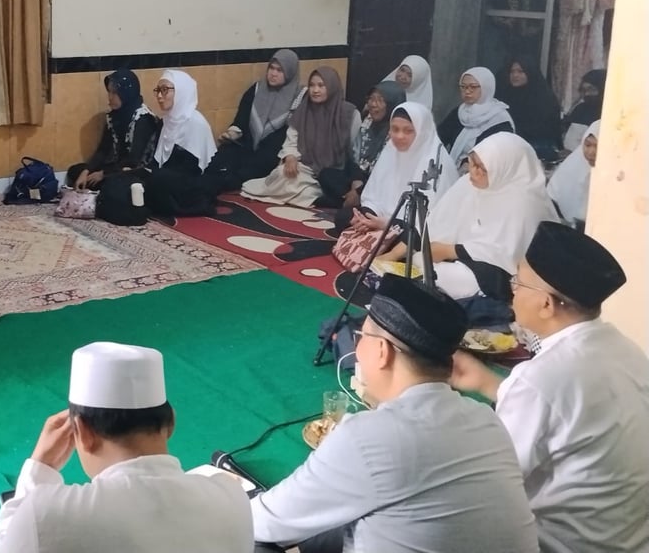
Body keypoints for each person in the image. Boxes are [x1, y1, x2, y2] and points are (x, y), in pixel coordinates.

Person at [250, 275, 539, 553]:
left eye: (361, 336)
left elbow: (262, 523)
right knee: (327, 528)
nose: (356, 347)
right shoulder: (486, 420)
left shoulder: (367, 438)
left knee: (249, 541)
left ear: (382, 351)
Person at [451, 223, 649, 553]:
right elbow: (572, 417)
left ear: (546, 304)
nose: (512, 290)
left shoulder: (540, 379)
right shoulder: (627, 351)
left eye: (518, 281)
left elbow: (491, 482)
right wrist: (490, 384)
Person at [0, 341, 254, 553]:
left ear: (82, 432)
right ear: (171, 422)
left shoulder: (48, 512)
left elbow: (8, 542)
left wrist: (40, 469)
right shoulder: (230, 494)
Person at [377, 132, 558, 301]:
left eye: (483, 168)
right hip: (456, 256)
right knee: (419, 261)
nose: (473, 171)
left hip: (494, 272)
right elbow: (434, 223)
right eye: (472, 162)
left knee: (445, 276)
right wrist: (392, 255)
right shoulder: (469, 184)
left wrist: (448, 250)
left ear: (505, 169)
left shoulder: (525, 202)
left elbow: (502, 254)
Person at [241, 67, 360, 209]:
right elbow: (291, 140)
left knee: (324, 179)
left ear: (332, 87)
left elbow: (355, 152)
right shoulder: (303, 110)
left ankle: (322, 196)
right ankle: (320, 198)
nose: (315, 90)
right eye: (312, 85)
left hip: (336, 170)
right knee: (282, 174)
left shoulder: (349, 114)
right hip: (307, 168)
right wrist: (291, 157)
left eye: (321, 86)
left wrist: (355, 181)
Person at [337, 101, 454, 237]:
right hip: (383, 219)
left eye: (408, 131)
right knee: (343, 217)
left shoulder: (436, 161)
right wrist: (367, 217)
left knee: (411, 239)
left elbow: (430, 220)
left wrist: (389, 225)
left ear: (423, 131)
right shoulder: (391, 150)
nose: (399, 136)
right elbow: (373, 196)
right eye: (395, 129)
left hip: (415, 229)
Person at [204, 49, 303, 193]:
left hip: (274, 152)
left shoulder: (299, 97)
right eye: (271, 68)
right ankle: (207, 183)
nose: (273, 74)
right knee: (221, 157)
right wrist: (231, 134)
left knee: (246, 170)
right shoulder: (256, 89)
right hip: (247, 145)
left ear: (290, 72)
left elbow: (294, 132)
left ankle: (215, 186)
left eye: (280, 70)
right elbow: (241, 121)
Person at [318, 80, 405, 209]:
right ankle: (352, 201)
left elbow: (387, 174)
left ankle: (348, 202)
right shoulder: (368, 122)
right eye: (371, 99)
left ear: (392, 104)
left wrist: (359, 191)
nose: (373, 104)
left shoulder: (399, 132)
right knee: (326, 174)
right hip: (360, 178)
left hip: (379, 184)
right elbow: (353, 157)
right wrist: (356, 182)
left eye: (380, 100)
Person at [140, 70, 217, 216]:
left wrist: (157, 174)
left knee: (157, 179)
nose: (160, 96)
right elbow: (158, 160)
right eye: (158, 91)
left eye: (165, 90)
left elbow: (194, 169)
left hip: (193, 183)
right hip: (168, 179)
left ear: (182, 91)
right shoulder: (167, 122)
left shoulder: (196, 123)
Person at [66, 69, 158, 191]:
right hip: (117, 168)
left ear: (126, 93)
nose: (110, 97)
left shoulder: (143, 119)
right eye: (109, 92)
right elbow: (103, 150)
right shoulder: (115, 116)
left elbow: (134, 160)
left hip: (136, 172)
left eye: (114, 93)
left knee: (113, 184)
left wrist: (104, 174)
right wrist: (86, 171)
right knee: (75, 171)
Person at [437, 66, 514, 173]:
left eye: (473, 87)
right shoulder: (460, 112)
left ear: (486, 87)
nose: (467, 91)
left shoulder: (499, 119)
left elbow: (496, 152)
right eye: (463, 87)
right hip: (455, 170)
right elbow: (440, 137)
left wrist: (470, 163)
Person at [497, 55, 562, 161]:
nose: (515, 75)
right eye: (512, 71)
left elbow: (547, 129)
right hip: (509, 148)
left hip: (538, 151)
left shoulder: (543, 98)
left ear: (530, 73)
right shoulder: (506, 95)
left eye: (520, 71)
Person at [546, 121, 599, 231]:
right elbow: (553, 196)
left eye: (598, 146)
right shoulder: (573, 167)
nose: (591, 152)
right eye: (587, 145)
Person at [560, 68, 606, 152]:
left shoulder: (610, 112)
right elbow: (570, 141)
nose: (587, 94)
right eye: (584, 90)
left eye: (592, 89)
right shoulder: (580, 109)